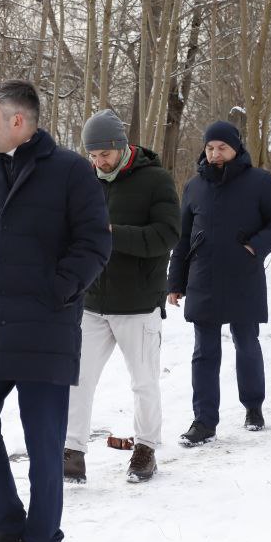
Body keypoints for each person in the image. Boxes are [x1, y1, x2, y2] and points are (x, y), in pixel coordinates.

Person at [0, 80, 111, 542]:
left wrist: (54, 293)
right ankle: (6, 524)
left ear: (17, 121)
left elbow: (95, 244)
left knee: (43, 445)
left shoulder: (72, 172)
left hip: (44, 327)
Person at [62, 109, 180, 486]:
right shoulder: (86, 181)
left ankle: (145, 448)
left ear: (121, 146)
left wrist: (112, 233)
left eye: (104, 155)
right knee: (77, 379)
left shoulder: (156, 181)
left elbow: (167, 235)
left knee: (144, 381)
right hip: (92, 301)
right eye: (92, 156)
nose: (98, 162)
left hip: (138, 302)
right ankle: (72, 450)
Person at [168, 121, 271, 445]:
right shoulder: (194, 186)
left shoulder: (259, 181)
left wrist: (253, 247)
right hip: (203, 278)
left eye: (221, 147)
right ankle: (204, 421)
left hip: (243, 276)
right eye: (210, 148)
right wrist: (175, 281)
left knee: (246, 344)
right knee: (204, 352)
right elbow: (183, 237)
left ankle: (253, 407)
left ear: (236, 148)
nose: (215, 153)